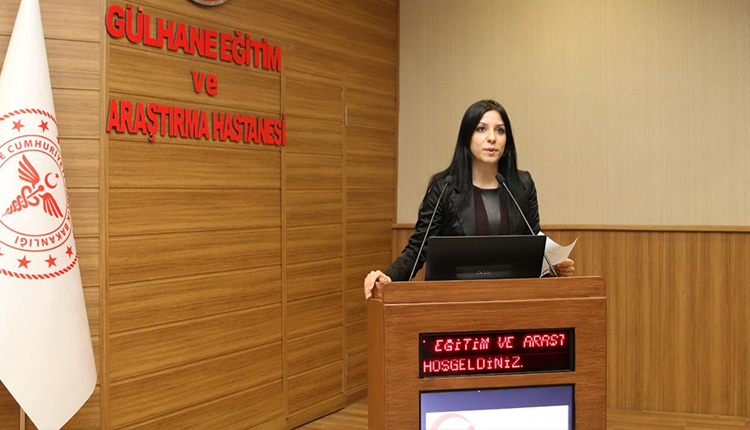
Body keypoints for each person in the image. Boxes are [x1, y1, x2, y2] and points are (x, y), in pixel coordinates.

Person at [364, 100, 574, 299]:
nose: (492, 138)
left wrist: (552, 269)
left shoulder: (522, 185)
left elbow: (533, 247)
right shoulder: (445, 187)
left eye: (500, 130)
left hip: (512, 299)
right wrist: (389, 276)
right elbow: (417, 249)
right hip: (457, 301)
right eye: (481, 129)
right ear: (467, 137)